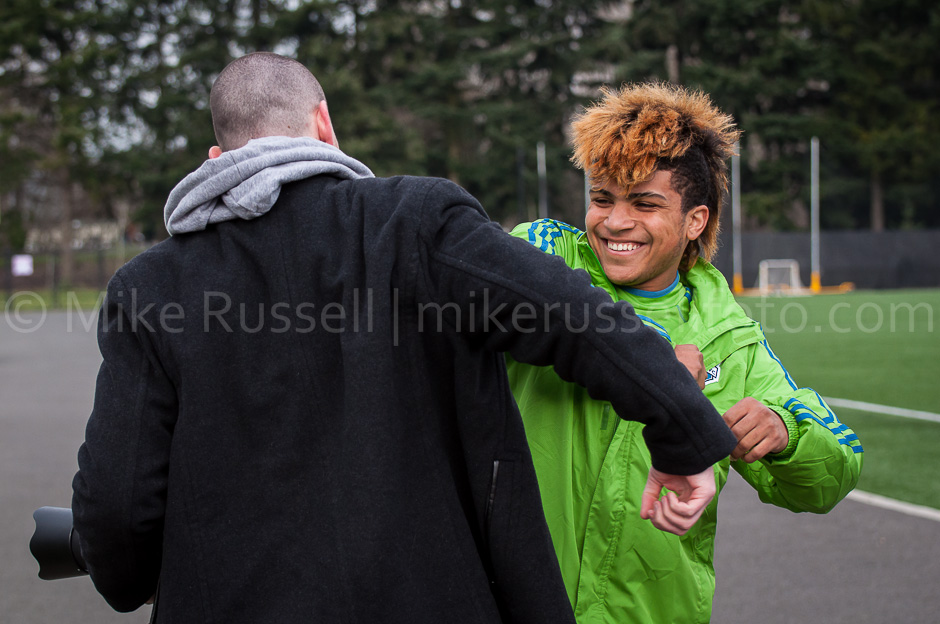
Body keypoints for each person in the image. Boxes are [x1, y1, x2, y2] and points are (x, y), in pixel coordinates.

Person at [71, 54, 737, 623]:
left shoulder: (148, 288)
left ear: (218, 159)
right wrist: (681, 430)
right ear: (324, 124)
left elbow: (116, 505)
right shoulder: (416, 221)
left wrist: (132, 578)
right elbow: (578, 317)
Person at [506, 83, 864, 624]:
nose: (614, 221)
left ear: (695, 220)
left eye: (645, 203)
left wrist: (786, 431)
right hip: (516, 601)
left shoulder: (728, 337)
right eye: (602, 198)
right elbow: (500, 299)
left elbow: (834, 472)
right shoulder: (545, 249)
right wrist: (648, 358)